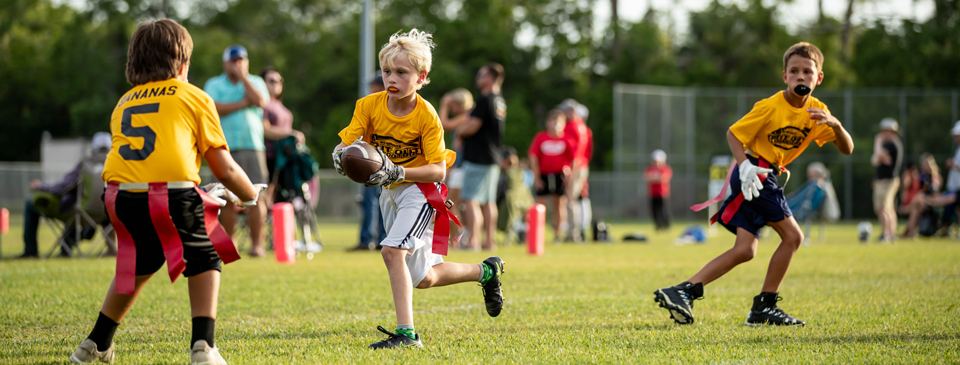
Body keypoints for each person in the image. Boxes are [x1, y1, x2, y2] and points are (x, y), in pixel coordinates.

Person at [68, 19, 262, 364]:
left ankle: (95, 343)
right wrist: (249, 195)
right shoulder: (194, 96)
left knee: (138, 264)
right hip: (168, 194)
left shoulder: (124, 102)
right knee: (205, 255)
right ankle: (204, 346)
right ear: (183, 63)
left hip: (118, 197)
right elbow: (225, 167)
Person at [654, 42, 854, 326]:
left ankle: (683, 291)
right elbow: (734, 134)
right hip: (755, 173)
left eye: (807, 72)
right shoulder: (771, 106)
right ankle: (764, 308)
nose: (800, 76)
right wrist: (745, 165)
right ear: (784, 76)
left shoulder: (818, 111)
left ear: (818, 77)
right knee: (794, 237)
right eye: (794, 71)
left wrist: (835, 125)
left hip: (764, 174)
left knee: (745, 250)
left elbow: (847, 149)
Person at [331, 29, 505, 349]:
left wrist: (399, 170)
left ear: (421, 77)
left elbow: (439, 168)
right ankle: (486, 272)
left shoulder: (427, 115)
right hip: (389, 191)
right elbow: (349, 143)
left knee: (391, 250)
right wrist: (341, 153)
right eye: (387, 71)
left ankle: (407, 334)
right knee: (423, 278)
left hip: (421, 190)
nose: (391, 78)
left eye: (401, 72)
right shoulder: (368, 106)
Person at [203, 45, 270, 257]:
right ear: (225, 63)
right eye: (234, 61)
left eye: (242, 60)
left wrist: (244, 78)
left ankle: (257, 245)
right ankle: (229, 244)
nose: (238, 64)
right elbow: (213, 108)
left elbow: (260, 101)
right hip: (224, 148)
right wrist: (243, 102)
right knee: (226, 197)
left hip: (253, 147)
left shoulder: (256, 82)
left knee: (256, 197)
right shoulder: (214, 84)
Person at [19, 132, 115, 258]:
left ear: (92, 150)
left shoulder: (85, 165)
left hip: (80, 213)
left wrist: (40, 186)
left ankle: (31, 251)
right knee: (80, 205)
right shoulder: (116, 167)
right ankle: (85, 241)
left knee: (33, 203)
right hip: (106, 215)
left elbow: (62, 187)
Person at [458, 63, 506, 251]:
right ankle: (489, 241)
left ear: (490, 78)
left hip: (478, 157)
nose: (478, 78)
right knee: (488, 201)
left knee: (470, 199)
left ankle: (474, 241)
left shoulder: (485, 99)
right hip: (493, 156)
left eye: (481, 74)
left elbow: (473, 125)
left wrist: (460, 134)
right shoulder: (500, 100)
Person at [349, 73, 390, 252]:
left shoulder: (390, 110)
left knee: (382, 204)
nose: (371, 93)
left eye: (375, 89)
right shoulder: (369, 108)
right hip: (369, 163)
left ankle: (380, 239)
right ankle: (368, 240)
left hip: (385, 165)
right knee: (369, 203)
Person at [260, 67, 305, 205]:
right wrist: (290, 133)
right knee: (267, 195)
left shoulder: (279, 104)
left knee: (285, 195)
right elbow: (265, 129)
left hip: (286, 157)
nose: (276, 84)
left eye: (280, 80)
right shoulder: (262, 103)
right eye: (271, 81)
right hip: (270, 156)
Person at [528, 109, 574, 240]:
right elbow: (533, 156)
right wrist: (536, 177)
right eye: (552, 121)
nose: (554, 124)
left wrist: (570, 177)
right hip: (544, 175)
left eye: (557, 121)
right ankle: (536, 234)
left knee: (559, 204)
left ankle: (558, 234)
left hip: (559, 175)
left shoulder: (567, 139)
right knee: (539, 204)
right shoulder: (541, 137)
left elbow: (574, 160)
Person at [438, 87, 475, 244]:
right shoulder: (469, 116)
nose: (452, 109)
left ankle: (456, 240)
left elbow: (442, 124)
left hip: (460, 167)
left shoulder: (466, 116)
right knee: (456, 204)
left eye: (453, 106)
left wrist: (444, 105)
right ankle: (458, 239)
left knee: (450, 203)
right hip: (460, 166)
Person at [558, 99, 589, 242]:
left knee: (570, 199)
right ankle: (574, 232)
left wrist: (571, 171)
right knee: (572, 199)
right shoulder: (581, 125)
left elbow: (574, 154)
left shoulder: (571, 126)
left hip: (575, 166)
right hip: (581, 165)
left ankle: (573, 234)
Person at [871, 118, 902, 242]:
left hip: (889, 181)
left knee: (884, 208)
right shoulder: (887, 145)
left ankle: (887, 234)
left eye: (887, 131)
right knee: (882, 208)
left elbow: (878, 156)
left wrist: (877, 142)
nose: (883, 134)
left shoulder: (892, 145)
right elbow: (874, 160)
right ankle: (890, 233)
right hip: (881, 180)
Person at [645, 149, 673, 231]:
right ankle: (658, 226)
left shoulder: (665, 168)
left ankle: (666, 226)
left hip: (662, 193)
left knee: (664, 210)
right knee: (654, 211)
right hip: (653, 193)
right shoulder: (649, 168)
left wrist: (654, 177)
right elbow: (647, 177)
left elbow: (664, 178)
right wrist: (657, 177)